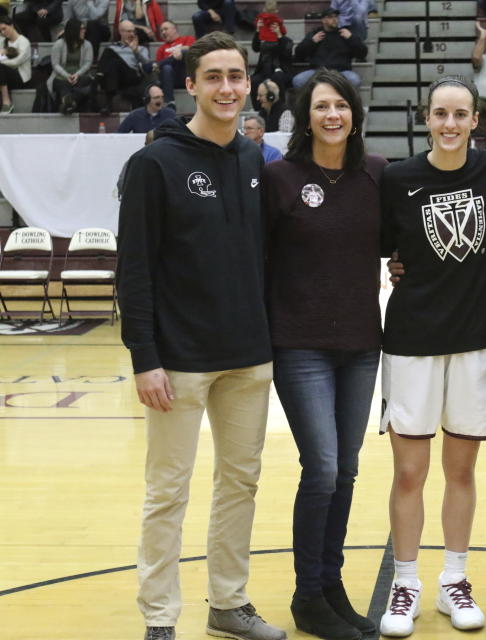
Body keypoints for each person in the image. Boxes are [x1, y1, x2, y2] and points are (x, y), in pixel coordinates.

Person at [117, 31, 285, 640]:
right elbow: (132, 269)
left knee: (240, 484)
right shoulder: (153, 163)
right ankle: (160, 618)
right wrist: (144, 357)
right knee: (168, 493)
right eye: (213, 77)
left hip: (248, 356)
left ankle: (228, 604)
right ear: (190, 85)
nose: (226, 88)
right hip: (179, 361)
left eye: (235, 76)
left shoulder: (254, 160)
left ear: (249, 84)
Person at [377, 76, 486, 637]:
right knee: (410, 472)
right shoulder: (397, 178)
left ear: (475, 120)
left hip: (479, 336)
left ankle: (453, 579)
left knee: (461, 470)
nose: (451, 123)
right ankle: (406, 581)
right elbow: (389, 247)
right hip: (412, 339)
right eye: (441, 114)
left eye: (461, 114)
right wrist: (395, 266)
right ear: (425, 117)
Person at [261, 68, 387, 640]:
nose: (332, 115)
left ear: (355, 113)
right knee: (324, 469)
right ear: (304, 117)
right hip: (301, 344)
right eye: (320, 106)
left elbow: (399, 242)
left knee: (349, 471)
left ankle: (330, 585)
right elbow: (256, 260)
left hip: (362, 344)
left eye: (341, 105)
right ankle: (307, 596)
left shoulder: (377, 174)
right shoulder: (280, 178)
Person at [293, 8, 366, 89]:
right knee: (298, 80)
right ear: (323, 20)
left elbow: (362, 53)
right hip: (318, 71)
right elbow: (298, 54)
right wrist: (312, 41)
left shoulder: (345, 33)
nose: (335, 20)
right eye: (331, 17)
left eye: (336, 17)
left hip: (341, 72)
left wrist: (351, 38)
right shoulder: (316, 34)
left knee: (354, 80)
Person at [97, 20, 153, 114]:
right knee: (110, 56)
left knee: (113, 61)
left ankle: (108, 102)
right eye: (128, 31)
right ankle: (107, 96)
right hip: (116, 77)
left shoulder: (141, 48)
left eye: (133, 31)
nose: (131, 34)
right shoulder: (113, 48)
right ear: (121, 32)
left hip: (133, 76)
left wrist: (135, 51)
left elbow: (147, 65)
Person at [49, 18, 95, 114]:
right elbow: (55, 64)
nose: (84, 31)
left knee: (87, 82)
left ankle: (68, 103)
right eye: (81, 29)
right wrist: (67, 76)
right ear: (74, 30)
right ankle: (70, 103)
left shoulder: (87, 45)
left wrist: (77, 75)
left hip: (80, 76)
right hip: (61, 76)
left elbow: (88, 63)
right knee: (63, 84)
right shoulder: (59, 44)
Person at [156, 21, 194, 108]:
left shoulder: (187, 39)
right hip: (170, 78)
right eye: (161, 31)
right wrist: (173, 57)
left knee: (186, 52)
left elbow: (193, 50)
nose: (163, 32)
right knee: (166, 67)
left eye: (166, 29)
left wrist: (180, 50)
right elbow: (158, 68)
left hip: (185, 74)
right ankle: (170, 102)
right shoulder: (161, 49)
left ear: (174, 29)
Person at [251, 20, 293, 98]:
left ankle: (280, 106)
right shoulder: (265, 41)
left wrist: (279, 35)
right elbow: (255, 48)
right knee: (254, 80)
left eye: (275, 27)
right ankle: (257, 107)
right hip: (264, 70)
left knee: (277, 77)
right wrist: (258, 31)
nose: (272, 29)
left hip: (282, 70)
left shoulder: (287, 41)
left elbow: (286, 54)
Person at [0, 16, 30, 114]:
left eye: (4, 28)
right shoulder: (2, 41)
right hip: (4, 76)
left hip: (20, 76)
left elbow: (16, 62)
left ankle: (7, 103)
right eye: (1, 30)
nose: (3, 32)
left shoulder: (24, 42)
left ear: (12, 26)